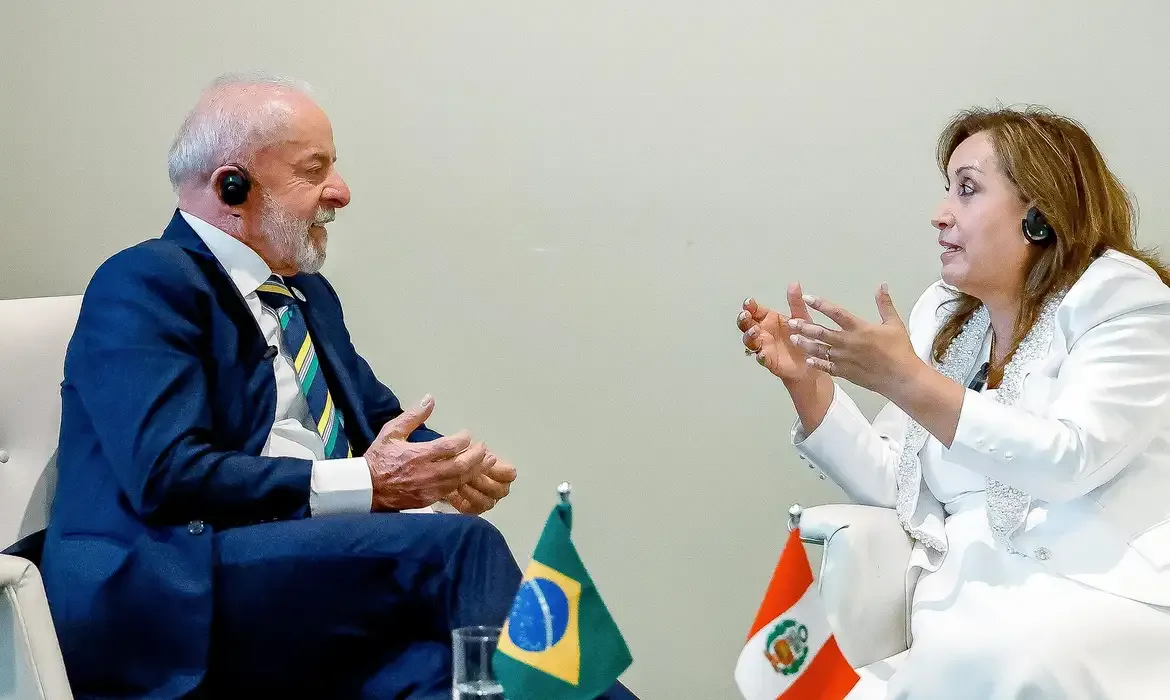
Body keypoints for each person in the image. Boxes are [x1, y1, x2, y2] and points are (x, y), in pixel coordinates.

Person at [38, 72, 636, 700]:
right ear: (232, 187)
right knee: (461, 549)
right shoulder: (145, 282)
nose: (341, 191)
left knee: (442, 673)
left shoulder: (306, 294)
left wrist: (441, 464)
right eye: (314, 170)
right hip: (175, 582)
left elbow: (375, 420)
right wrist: (366, 484)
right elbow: (166, 474)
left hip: (297, 575)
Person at [738, 106, 1170, 698]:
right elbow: (902, 486)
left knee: (1001, 658)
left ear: (1040, 213)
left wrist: (908, 382)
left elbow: (1070, 459)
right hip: (964, 602)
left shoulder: (1119, 297)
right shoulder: (944, 316)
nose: (940, 214)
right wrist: (808, 387)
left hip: (1097, 591)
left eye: (967, 190)